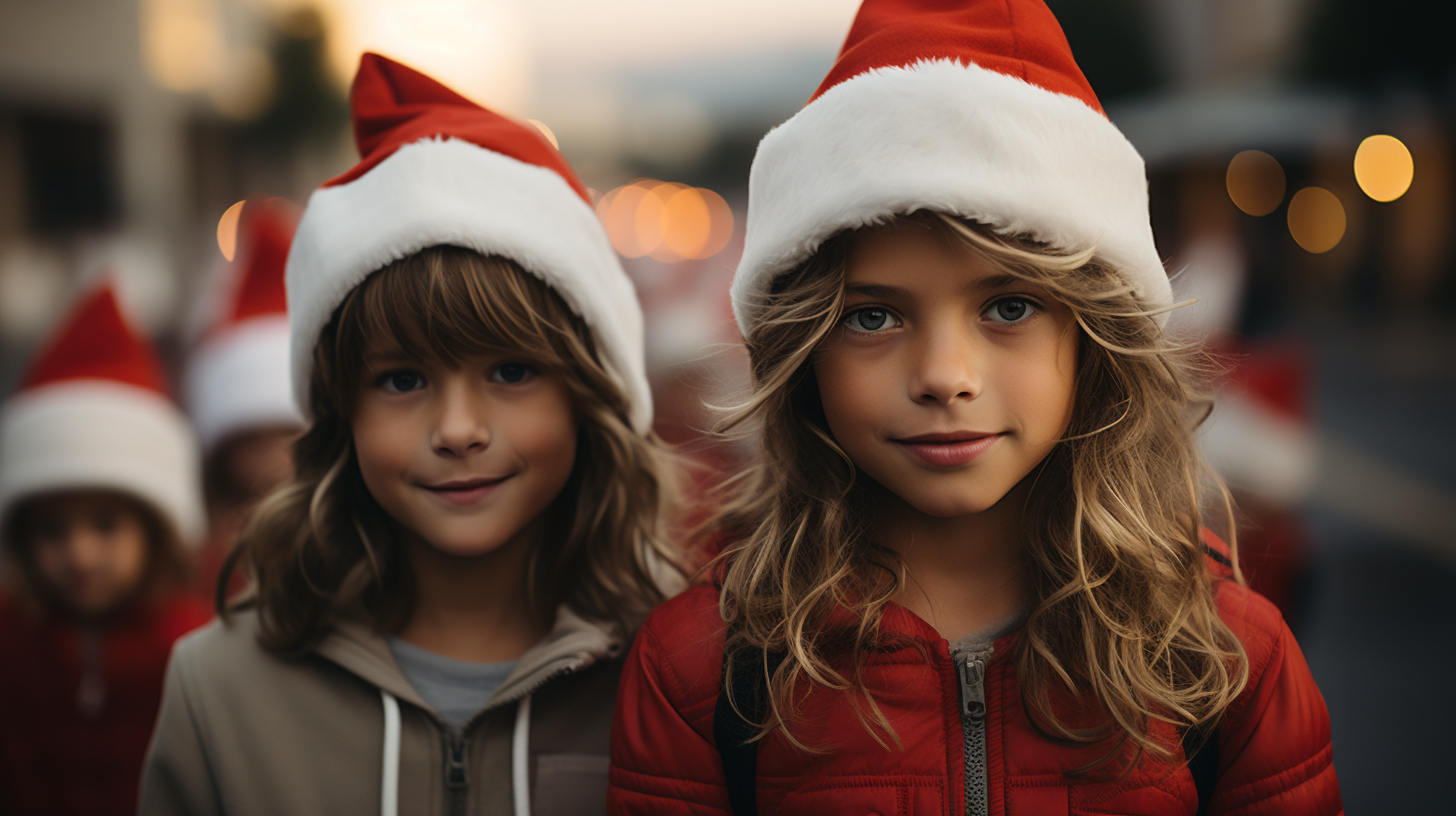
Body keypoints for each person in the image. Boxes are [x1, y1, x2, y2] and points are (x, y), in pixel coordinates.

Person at [607, 1, 1342, 814]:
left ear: (1093, 338)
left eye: (1010, 308)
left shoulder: (1229, 658)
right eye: (873, 316)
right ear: (802, 355)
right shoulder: (700, 671)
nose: (945, 376)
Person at [141, 54, 680, 816]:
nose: (458, 430)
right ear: (341, 413)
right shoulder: (218, 688)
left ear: (591, 393)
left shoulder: (681, 676)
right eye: (402, 380)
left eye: (512, 371)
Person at [0, 281, 210, 816]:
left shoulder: (193, 648)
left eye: (105, 524)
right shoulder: (13, 641)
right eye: (53, 531)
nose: (81, 553)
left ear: (155, 529)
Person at [185, 196, 305, 599]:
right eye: (253, 441)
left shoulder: (351, 535)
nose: (271, 457)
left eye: (286, 434)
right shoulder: (203, 557)